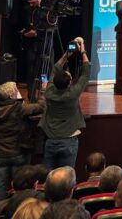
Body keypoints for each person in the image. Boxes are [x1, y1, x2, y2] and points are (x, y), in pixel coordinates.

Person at [39, 38, 90, 169]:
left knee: (48, 177)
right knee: (66, 176)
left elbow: (55, 68)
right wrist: (83, 52)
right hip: (69, 140)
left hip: (51, 139)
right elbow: (85, 74)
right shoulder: (72, 95)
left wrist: (66, 55)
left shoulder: (49, 92)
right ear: (69, 83)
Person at [19, 0, 46, 89]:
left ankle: (44, 87)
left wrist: (36, 33)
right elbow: (23, 25)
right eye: (29, 3)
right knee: (30, 68)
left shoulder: (46, 11)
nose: (31, 5)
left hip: (44, 44)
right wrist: (24, 33)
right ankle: (31, 90)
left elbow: (52, 30)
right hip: (31, 45)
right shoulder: (27, 11)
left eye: (33, 2)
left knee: (44, 69)